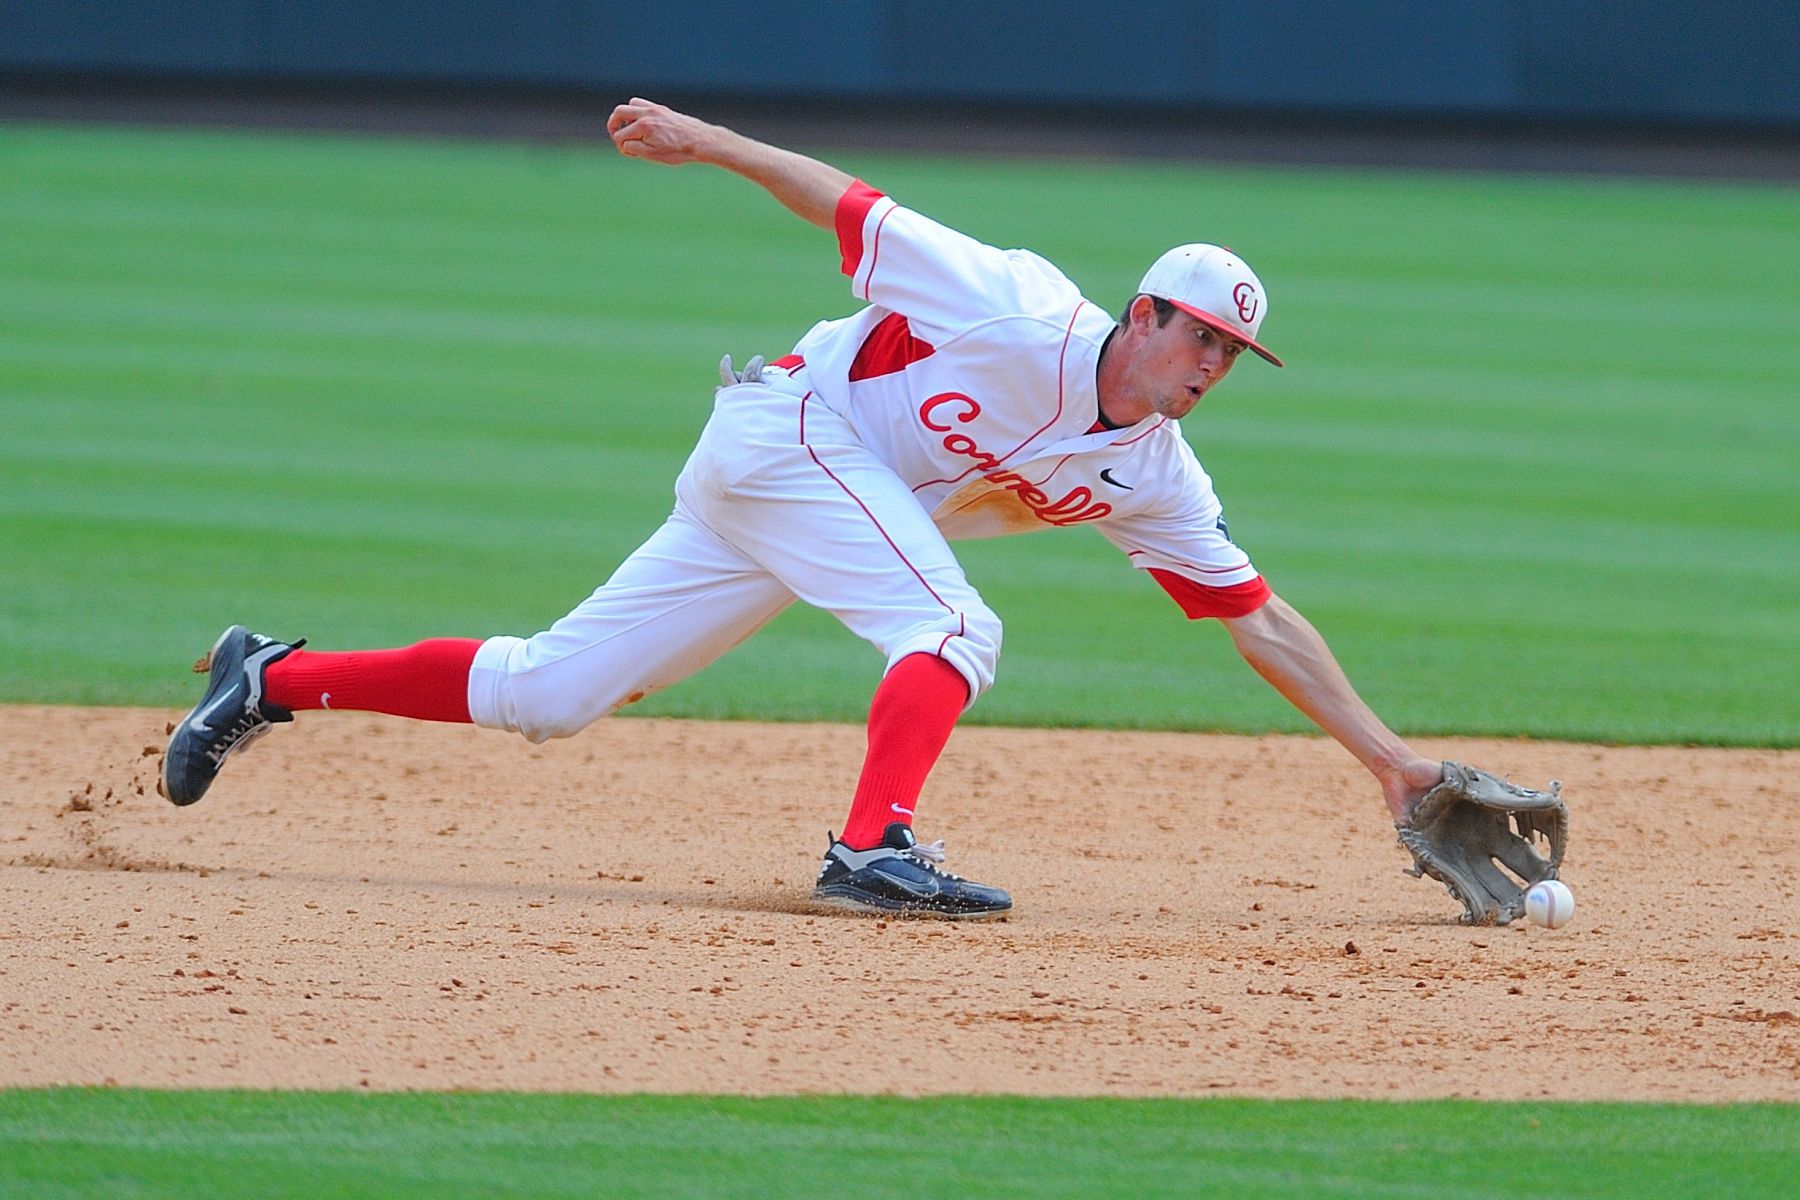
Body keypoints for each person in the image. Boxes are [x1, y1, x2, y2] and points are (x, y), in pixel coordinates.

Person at [164, 98, 1447, 921]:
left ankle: (269, 675)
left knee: (549, 693)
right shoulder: (1017, 310)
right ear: (1147, 312)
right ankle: (871, 847)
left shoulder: (1153, 472)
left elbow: (1257, 618)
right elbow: (852, 205)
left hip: (806, 496)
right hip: (791, 432)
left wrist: (1392, 760)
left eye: (1232, 358)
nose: (1212, 370)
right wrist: (705, 142)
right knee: (953, 629)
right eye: (1203, 340)